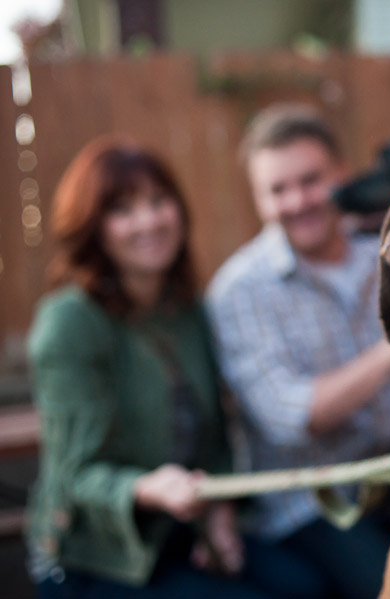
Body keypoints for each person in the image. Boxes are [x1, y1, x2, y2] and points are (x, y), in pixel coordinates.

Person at [26, 137, 271, 598]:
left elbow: (215, 436)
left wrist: (219, 516)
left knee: (304, 582)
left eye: (159, 201)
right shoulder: (70, 322)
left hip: (179, 537)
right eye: (123, 210)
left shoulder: (187, 312)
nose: (149, 221)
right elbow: (74, 476)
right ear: (93, 228)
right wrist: (147, 488)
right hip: (95, 558)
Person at [206, 104, 390, 598]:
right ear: (258, 199)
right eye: (277, 189)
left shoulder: (383, 254)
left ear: (341, 175)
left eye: (310, 180)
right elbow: (293, 416)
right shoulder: (241, 289)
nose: (297, 201)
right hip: (309, 503)